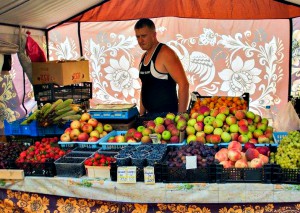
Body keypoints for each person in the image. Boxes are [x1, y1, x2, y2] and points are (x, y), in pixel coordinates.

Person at [134, 18, 189, 117]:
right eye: (137, 37)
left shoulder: (166, 53)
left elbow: (184, 84)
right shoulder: (143, 57)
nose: (140, 40)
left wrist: (181, 116)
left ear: (154, 35)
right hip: (149, 117)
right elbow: (144, 87)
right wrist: (141, 114)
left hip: (167, 118)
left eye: (144, 36)